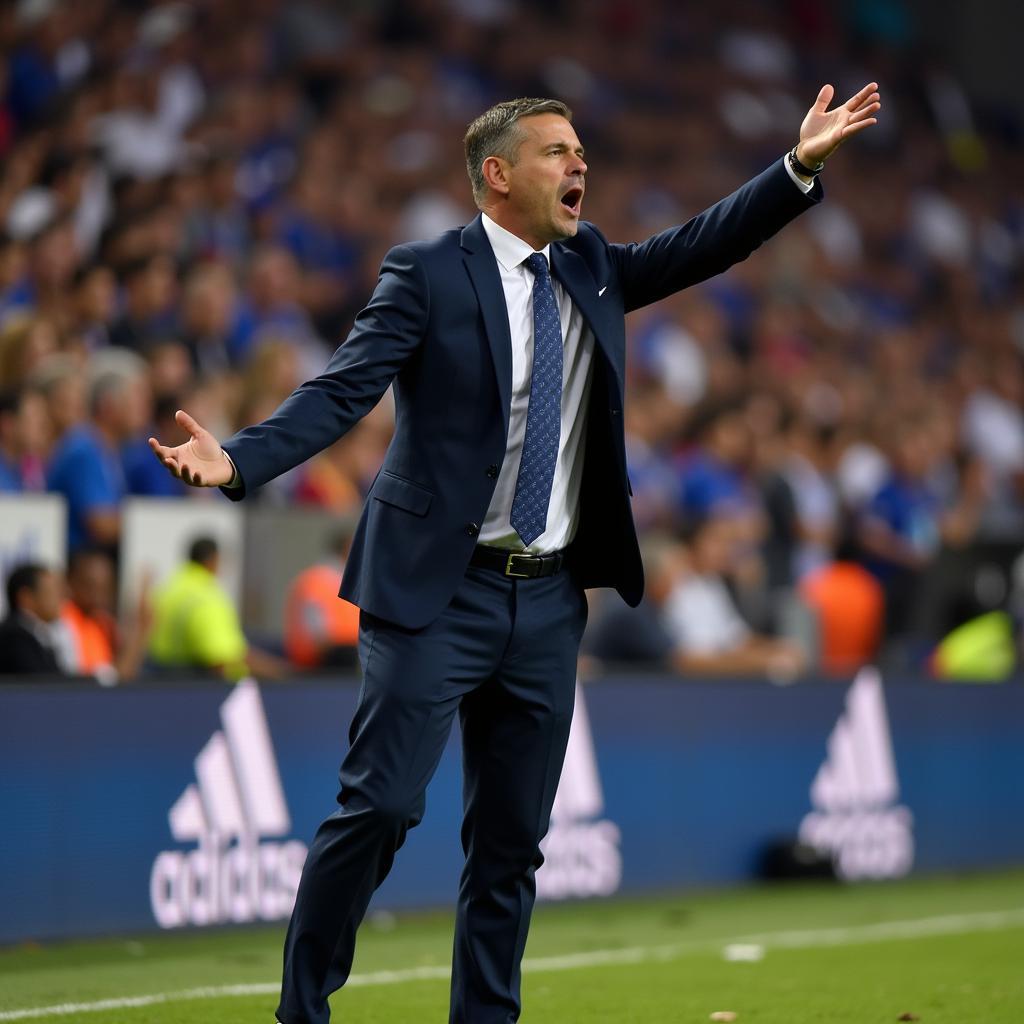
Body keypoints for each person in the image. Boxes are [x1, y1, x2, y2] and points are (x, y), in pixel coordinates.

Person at [148, 87, 881, 1024]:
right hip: (433, 594)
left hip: (545, 602)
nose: (580, 166)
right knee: (380, 808)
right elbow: (342, 391)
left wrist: (798, 167)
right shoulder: (424, 274)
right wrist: (240, 457)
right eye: (557, 153)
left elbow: (706, 242)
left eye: (581, 151)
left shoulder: (594, 267)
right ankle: (302, 1012)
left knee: (510, 846)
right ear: (497, 176)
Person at [149, 535, 287, 680]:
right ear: (213, 559)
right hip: (196, 688)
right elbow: (222, 659)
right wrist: (280, 675)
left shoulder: (168, 589)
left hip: (163, 678)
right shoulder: (206, 597)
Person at [0, 562, 65, 676]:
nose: (61, 600)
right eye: (51, 592)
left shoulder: (38, 635)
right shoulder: (13, 639)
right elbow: (43, 686)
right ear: (26, 597)